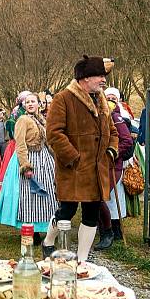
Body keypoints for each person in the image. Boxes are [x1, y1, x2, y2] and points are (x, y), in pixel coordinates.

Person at [44, 55, 118, 261]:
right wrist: (74, 158)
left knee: (91, 214)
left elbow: (113, 132)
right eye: (99, 76)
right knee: (66, 211)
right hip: (73, 169)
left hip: (97, 170)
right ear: (85, 78)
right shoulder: (63, 99)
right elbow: (54, 133)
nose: (103, 80)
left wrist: (111, 152)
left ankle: (82, 259)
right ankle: (49, 241)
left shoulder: (102, 101)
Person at [0, 92, 59, 242]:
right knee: (29, 196)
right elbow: (20, 143)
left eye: (33, 101)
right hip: (29, 158)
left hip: (44, 159)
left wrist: (57, 157)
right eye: (27, 102)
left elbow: (48, 142)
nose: (30, 104)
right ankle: (31, 231)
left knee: (46, 193)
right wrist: (25, 165)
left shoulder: (42, 120)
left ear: (38, 104)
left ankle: (45, 228)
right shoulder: (22, 120)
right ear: (24, 105)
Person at [95, 88, 134, 250]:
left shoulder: (116, 117)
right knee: (97, 197)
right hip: (98, 164)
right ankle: (102, 229)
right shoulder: (98, 115)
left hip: (112, 164)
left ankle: (110, 231)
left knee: (101, 197)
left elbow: (126, 141)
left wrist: (112, 153)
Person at [0, 90, 30, 202]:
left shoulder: (29, 112)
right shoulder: (16, 112)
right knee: (13, 170)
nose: (27, 103)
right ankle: (11, 195)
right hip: (17, 145)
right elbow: (11, 128)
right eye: (26, 101)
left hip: (27, 144)